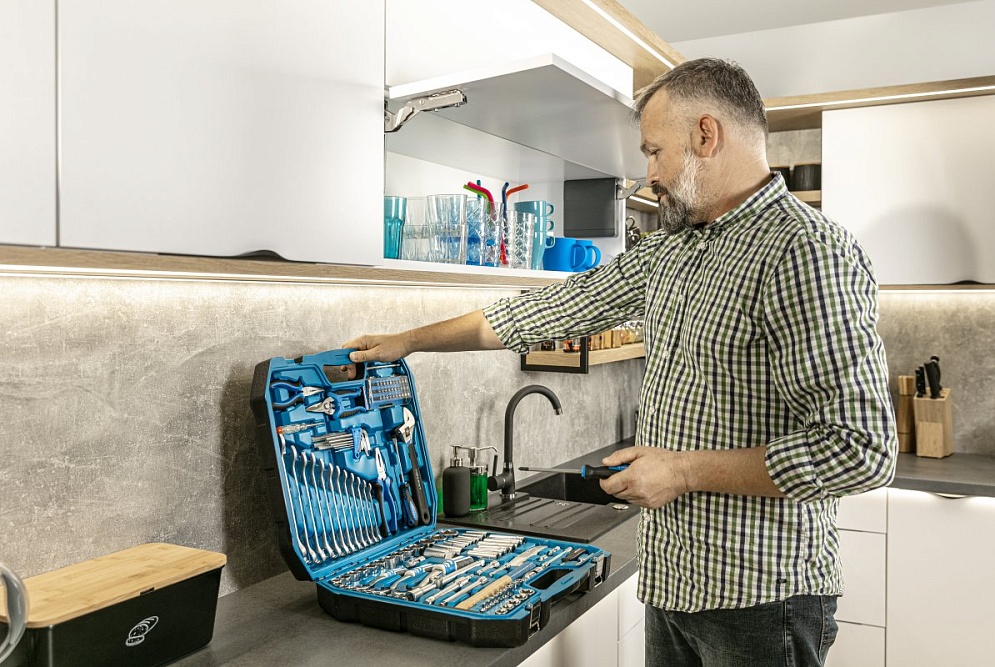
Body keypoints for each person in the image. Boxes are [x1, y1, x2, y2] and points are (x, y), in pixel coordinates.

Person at [344, 58, 897, 666]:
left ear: (706, 135)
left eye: (655, 152)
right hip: (676, 582)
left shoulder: (806, 250)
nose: (649, 174)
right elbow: (546, 310)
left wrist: (682, 471)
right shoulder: (672, 249)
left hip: (763, 599)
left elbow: (860, 450)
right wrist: (408, 341)